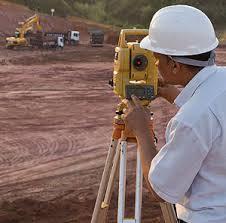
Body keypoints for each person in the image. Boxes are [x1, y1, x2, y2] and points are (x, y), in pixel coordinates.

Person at [123, 5, 226, 223]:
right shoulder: (221, 81)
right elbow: (214, 113)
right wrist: (174, 95)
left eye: (157, 58)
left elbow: (160, 190)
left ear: (174, 64)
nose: (156, 65)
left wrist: (142, 131)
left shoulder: (190, 121)